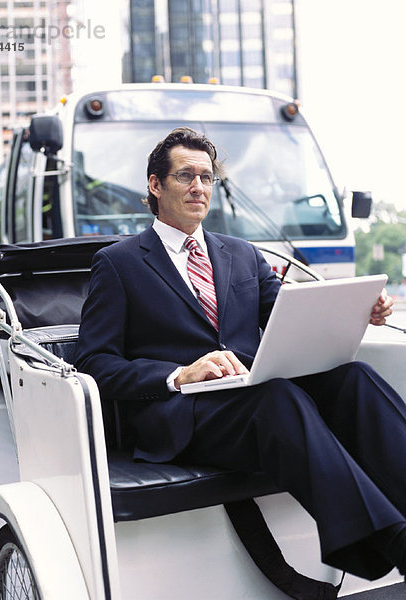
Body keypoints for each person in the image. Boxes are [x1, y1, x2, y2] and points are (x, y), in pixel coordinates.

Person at [75, 127, 406, 582]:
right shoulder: (119, 263)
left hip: (250, 398)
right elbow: (94, 363)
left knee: (356, 379)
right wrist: (179, 374)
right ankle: (386, 543)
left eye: (207, 178)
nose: (199, 187)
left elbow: (295, 314)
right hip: (185, 415)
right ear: (155, 185)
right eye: (186, 176)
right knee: (277, 399)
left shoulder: (242, 254)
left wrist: (357, 309)